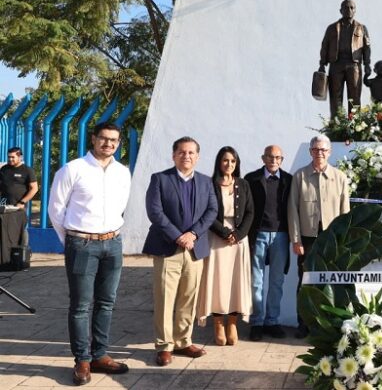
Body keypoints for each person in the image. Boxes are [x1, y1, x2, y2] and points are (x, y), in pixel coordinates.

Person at [48, 122, 132, 385]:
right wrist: (72, 240)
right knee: (81, 305)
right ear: (93, 139)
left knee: (107, 302)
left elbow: (122, 206)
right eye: (104, 139)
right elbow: (55, 209)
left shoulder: (122, 172)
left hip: (113, 244)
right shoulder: (73, 169)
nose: (108, 144)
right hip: (81, 244)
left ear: (119, 144)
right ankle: (82, 360)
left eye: (114, 140)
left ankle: (100, 355)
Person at [143, 136, 218, 366]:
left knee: (189, 297)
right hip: (168, 248)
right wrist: (178, 236)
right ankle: (164, 345)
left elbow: (212, 210)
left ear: (197, 156)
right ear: (174, 155)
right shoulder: (160, 179)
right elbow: (155, 212)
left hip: (195, 248)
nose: (187, 156)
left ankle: (183, 341)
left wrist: (193, 234)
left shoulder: (206, 182)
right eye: (182, 152)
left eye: (191, 153)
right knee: (165, 298)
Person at [288, 135, 350, 338]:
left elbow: (345, 212)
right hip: (308, 238)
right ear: (310, 152)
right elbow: (293, 210)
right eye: (316, 150)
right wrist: (296, 240)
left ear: (329, 152)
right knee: (305, 281)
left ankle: (328, 323)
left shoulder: (340, 177)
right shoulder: (300, 176)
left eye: (323, 150)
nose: (319, 153)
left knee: (330, 280)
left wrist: (342, 240)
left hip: (331, 238)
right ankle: (303, 323)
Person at [196, 147, 254, 345]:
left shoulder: (243, 184)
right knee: (218, 281)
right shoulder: (210, 185)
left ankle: (233, 323)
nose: (229, 164)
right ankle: (218, 323)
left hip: (238, 241)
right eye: (225, 160)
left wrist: (237, 234)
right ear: (219, 162)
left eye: (233, 161)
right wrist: (224, 233)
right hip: (217, 238)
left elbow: (250, 213)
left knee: (235, 282)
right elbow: (207, 213)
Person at [244, 145, 292, 341]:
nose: (274, 160)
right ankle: (257, 322)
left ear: (282, 160)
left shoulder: (289, 180)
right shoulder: (251, 179)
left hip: (281, 236)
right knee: (256, 282)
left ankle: (272, 321)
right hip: (258, 235)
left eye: (278, 157)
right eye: (270, 157)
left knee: (277, 282)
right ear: (263, 158)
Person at [319, 0, 372, 118]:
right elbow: (325, 46)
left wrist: (367, 64)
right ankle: (336, 124)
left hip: (354, 65)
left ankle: (355, 125)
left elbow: (367, 48)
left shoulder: (362, 28)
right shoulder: (332, 28)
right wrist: (322, 64)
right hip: (336, 64)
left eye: (352, 8)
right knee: (335, 96)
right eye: (346, 7)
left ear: (355, 10)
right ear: (340, 10)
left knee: (354, 96)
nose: (349, 10)